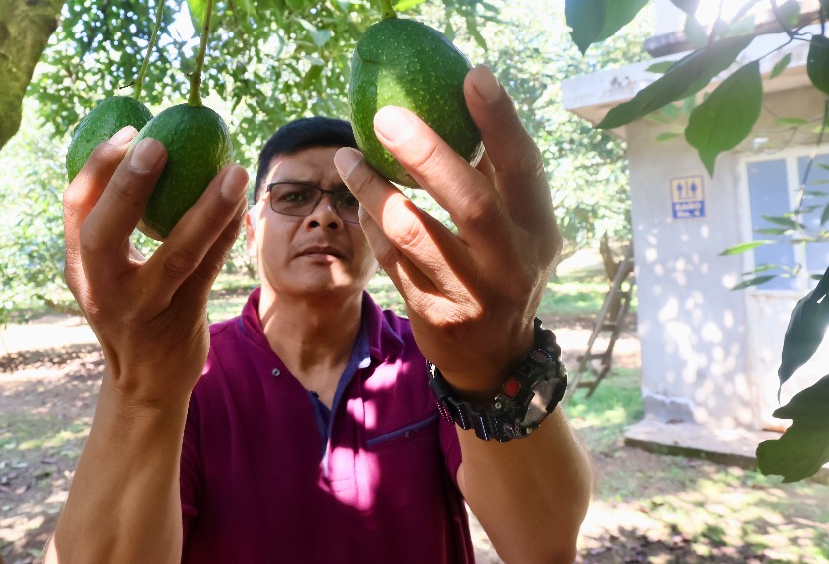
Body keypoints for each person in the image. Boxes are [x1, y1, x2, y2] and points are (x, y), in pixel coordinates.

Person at [46, 65, 593, 563]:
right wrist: (142, 388)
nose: (324, 217)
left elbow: (543, 546)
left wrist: (496, 363)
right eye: (293, 196)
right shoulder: (193, 379)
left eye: (348, 199)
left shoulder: (435, 361)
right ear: (249, 226)